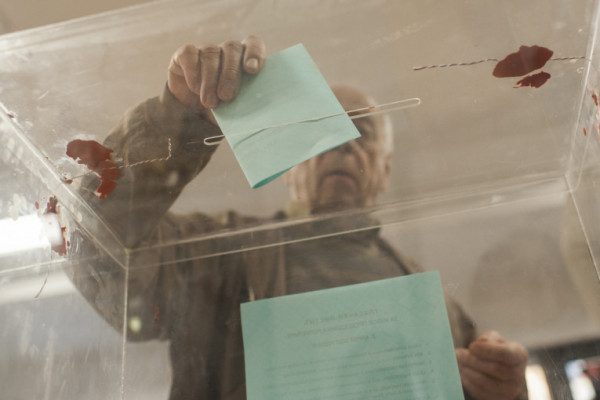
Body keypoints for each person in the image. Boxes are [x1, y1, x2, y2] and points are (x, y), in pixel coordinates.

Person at [71, 35, 528, 400]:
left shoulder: (438, 308)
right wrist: (176, 119)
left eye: (361, 132)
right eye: (323, 130)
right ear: (290, 169)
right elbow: (94, 241)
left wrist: (504, 388)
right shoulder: (223, 252)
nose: (342, 145)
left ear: (386, 169)